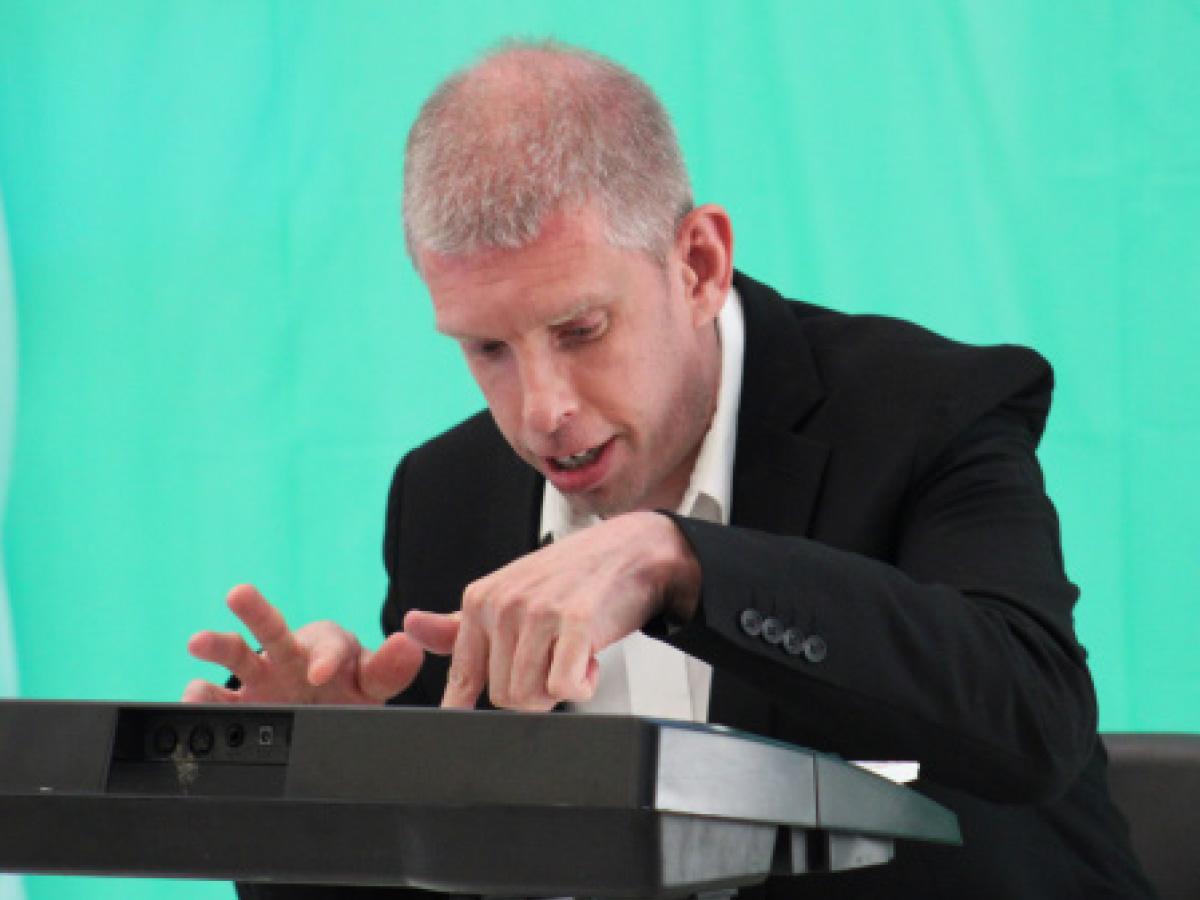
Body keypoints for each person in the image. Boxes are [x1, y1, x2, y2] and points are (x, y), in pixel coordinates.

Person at [185, 40, 1155, 899]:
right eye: (487, 349)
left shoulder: (927, 411)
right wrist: (316, 786)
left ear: (697, 264)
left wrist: (682, 563)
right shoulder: (444, 495)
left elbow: (1032, 719)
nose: (540, 409)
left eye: (580, 329)